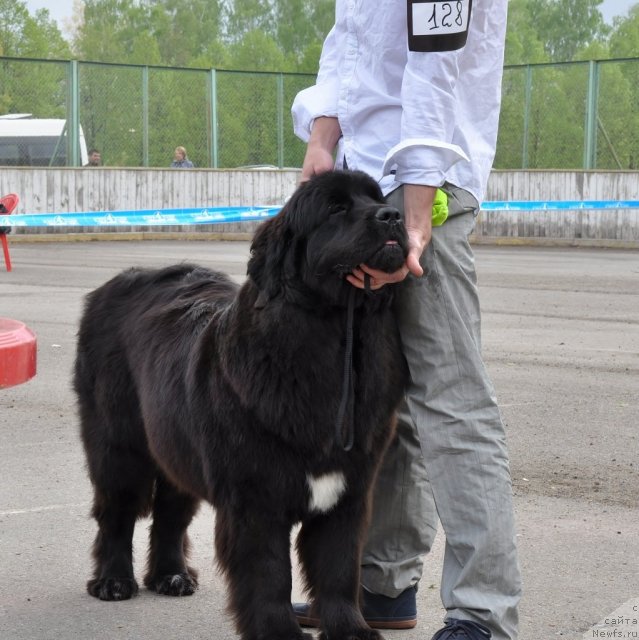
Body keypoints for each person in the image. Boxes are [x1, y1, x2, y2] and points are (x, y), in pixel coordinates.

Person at [290, 2, 521, 639]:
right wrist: (321, 139)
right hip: (362, 176)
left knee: (453, 398)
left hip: (421, 183)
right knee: (382, 393)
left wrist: (416, 208)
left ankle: (483, 610)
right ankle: (382, 584)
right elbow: (348, 45)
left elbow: (435, 63)